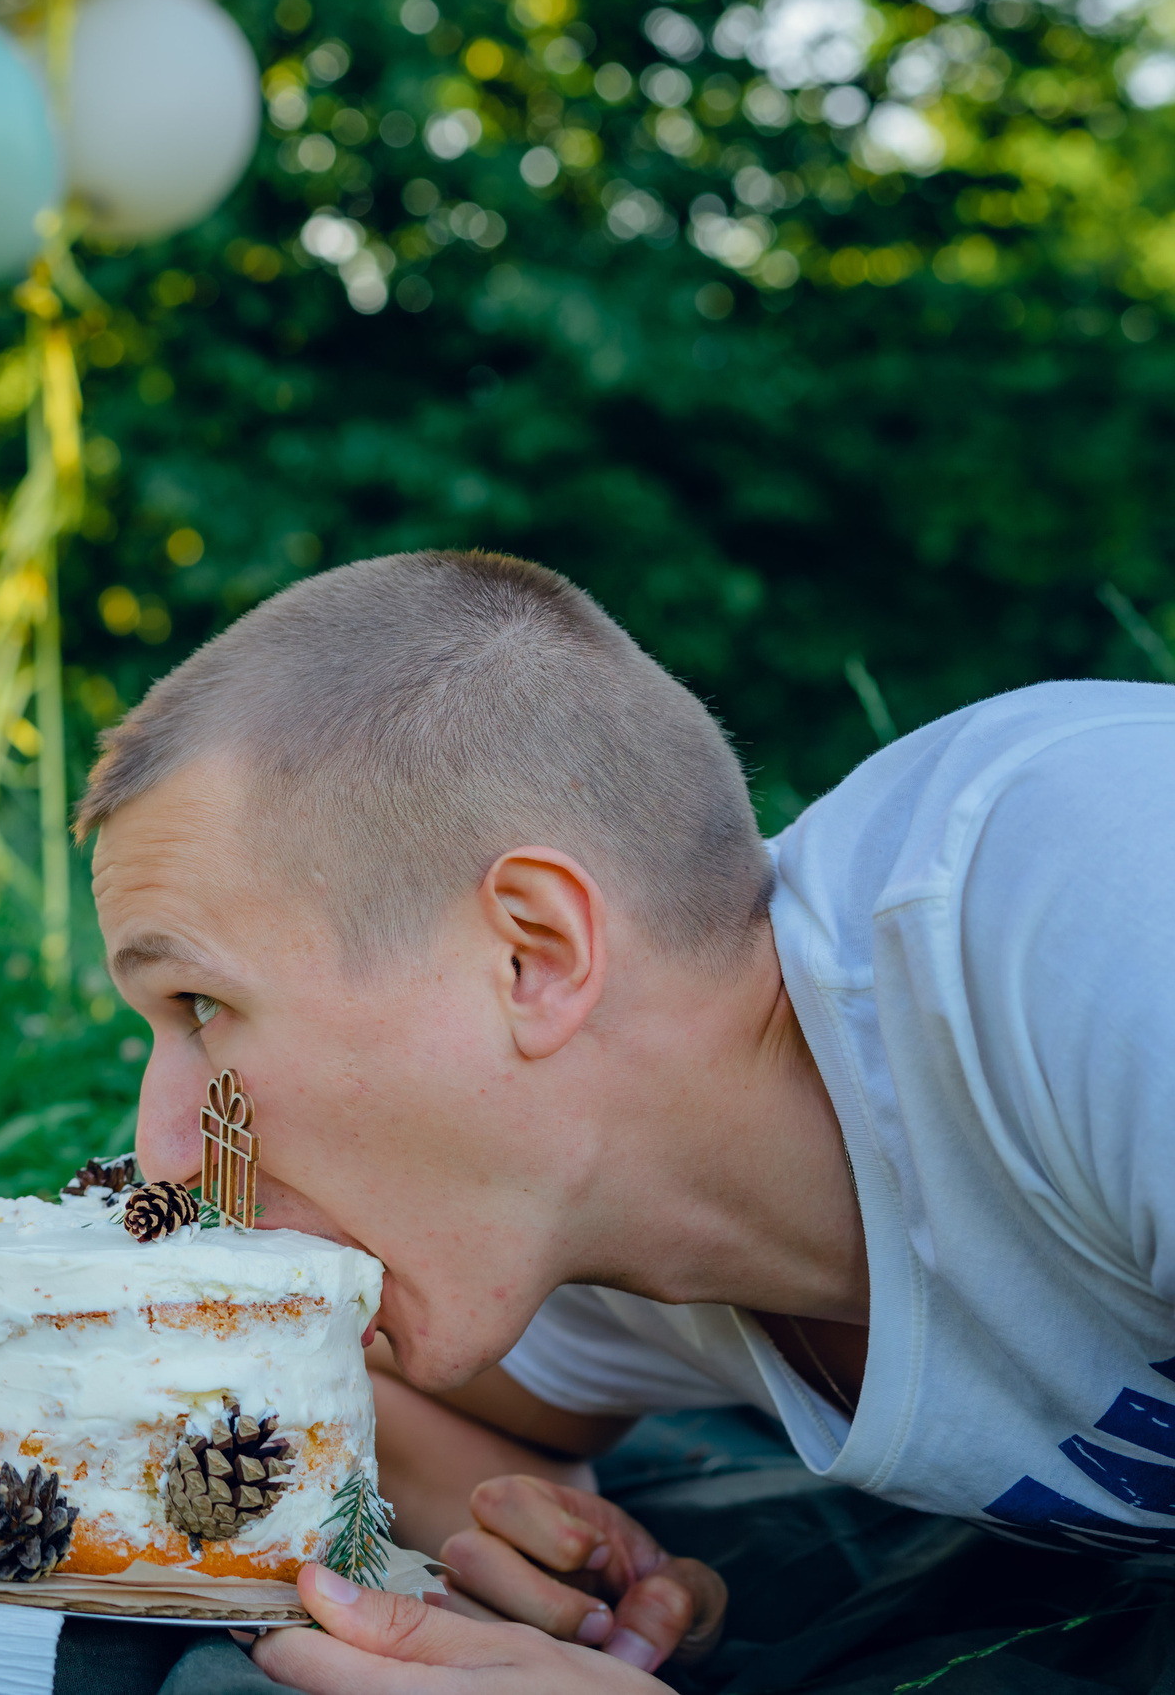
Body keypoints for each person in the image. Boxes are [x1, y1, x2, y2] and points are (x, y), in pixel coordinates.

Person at [78, 550, 1175, 1691]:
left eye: (202, 1005)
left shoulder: (1091, 916)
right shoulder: (584, 1206)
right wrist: (549, 1556)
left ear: (532, 955)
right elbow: (387, 1406)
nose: (165, 1148)